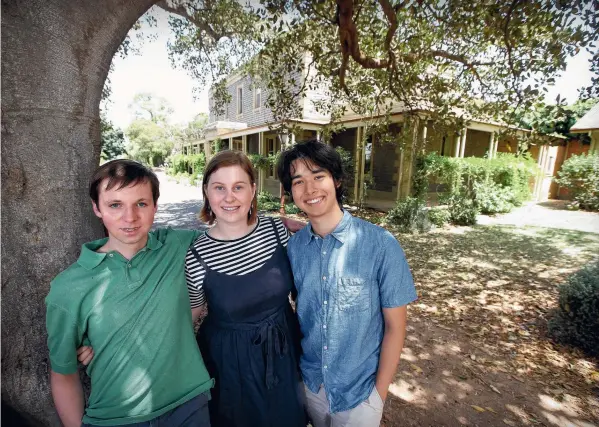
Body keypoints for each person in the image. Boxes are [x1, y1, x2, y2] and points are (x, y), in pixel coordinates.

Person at [46, 160, 213, 427]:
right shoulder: (69, 287)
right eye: (115, 205)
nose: (130, 217)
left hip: (188, 405)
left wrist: (280, 224)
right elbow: (63, 374)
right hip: (115, 418)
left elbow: (233, 235)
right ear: (96, 208)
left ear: (155, 206)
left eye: (141, 204)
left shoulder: (177, 246)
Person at [277, 140, 418, 427]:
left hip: (360, 395)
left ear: (337, 180)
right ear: (291, 192)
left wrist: (377, 396)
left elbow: (395, 327)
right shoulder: (295, 248)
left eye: (319, 176)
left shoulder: (380, 245)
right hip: (311, 386)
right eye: (299, 181)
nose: (310, 189)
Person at [185, 150, 306, 427]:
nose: (230, 197)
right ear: (207, 192)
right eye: (219, 188)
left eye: (238, 187)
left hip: (284, 349)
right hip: (230, 364)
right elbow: (190, 316)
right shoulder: (197, 255)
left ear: (253, 190)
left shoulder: (279, 232)